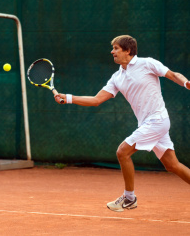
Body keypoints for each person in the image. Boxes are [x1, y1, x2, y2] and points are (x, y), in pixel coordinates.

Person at [54, 35, 190, 212]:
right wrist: (69, 98)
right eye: (113, 48)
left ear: (128, 50)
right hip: (148, 124)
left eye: (116, 48)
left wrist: (187, 83)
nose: (112, 52)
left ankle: (129, 198)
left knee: (122, 151)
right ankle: (129, 198)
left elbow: (173, 75)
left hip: (157, 120)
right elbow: (96, 100)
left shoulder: (147, 63)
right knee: (172, 165)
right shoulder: (117, 77)